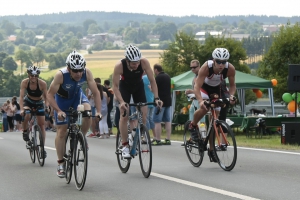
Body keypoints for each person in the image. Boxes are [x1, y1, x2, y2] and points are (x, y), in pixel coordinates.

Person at [47, 50, 102, 178]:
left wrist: (98, 111)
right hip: (62, 101)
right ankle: (61, 164)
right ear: (68, 68)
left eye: (80, 70)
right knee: (62, 131)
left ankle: (81, 136)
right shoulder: (60, 75)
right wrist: (58, 111)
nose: (78, 74)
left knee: (88, 112)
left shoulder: (87, 73)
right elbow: (50, 95)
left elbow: (96, 92)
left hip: (77, 97)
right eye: (75, 71)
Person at [112, 44, 162, 159]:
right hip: (124, 87)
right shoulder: (120, 66)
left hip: (138, 87)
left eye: (138, 62)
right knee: (124, 115)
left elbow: (152, 81)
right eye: (134, 63)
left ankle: (136, 133)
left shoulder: (144, 62)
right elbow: (114, 86)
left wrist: (156, 98)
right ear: (127, 61)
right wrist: (122, 102)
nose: (136, 65)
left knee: (143, 114)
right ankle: (125, 145)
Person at [189, 48, 236, 162]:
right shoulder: (206, 67)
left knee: (214, 121)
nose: (221, 64)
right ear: (214, 60)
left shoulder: (230, 69)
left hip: (217, 89)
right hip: (203, 88)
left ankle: (211, 149)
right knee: (205, 108)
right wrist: (200, 101)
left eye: (223, 62)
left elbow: (233, 86)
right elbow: (197, 86)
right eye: (218, 61)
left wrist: (231, 96)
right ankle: (193, 125)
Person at [19, 66, 48, 158]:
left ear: (38, 76)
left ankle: (42, 148)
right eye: (31, 75)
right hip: (28, 101)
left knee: (42, 125)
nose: (33, 78)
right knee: (26, 114)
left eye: (35, 76)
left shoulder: (42, 84)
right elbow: (21, 97)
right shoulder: (24, 82)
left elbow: (47, 97)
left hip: (39, 102)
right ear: (29, 75)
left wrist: (47, 106)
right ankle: (25, 131)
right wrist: (21, 109)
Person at [153, 64, 172, 145]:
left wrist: (151, 88)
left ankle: (158, 139)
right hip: (168, 100)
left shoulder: (158, 78)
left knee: (157, 121)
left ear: (156, 70)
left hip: (160, 101)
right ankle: (168, 139)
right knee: (167, 120)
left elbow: (155, 88)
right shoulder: (168, 76)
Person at [142, 71, 156, 141]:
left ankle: (146, 136)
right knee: (151, 119)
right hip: (152, 100)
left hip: (145, 101)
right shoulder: (152, 78)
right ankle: (155, 135)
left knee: (145, 119)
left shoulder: (143, 78)